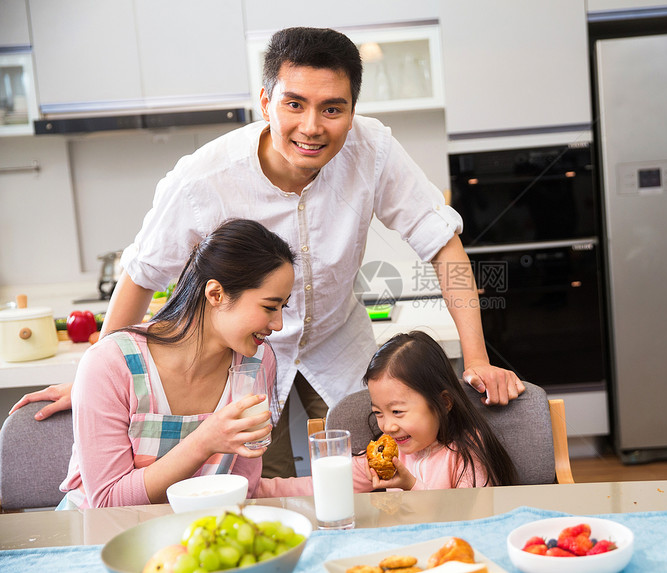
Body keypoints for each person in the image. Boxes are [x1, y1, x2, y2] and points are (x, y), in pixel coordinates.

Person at [12, 26, 524, 479]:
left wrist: (477, 359)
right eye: (294, 104)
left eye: (333, 108)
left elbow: (443, 245)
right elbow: (141, 277)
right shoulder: (204, 178)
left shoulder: (375, 151)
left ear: (352, 111)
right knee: (259, 488)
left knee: (376, 473)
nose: (312, 126)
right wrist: (99, 377)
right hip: (242, 359)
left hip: (338, 341)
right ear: (264, 102)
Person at [59, 219, 295, 509]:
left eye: (283, 307)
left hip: (197, 532)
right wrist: (205, 441)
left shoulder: (257, 361)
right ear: (216, 294)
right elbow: (108, 504)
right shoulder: (109, 364)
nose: (279, 324)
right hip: (101, 537)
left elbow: (244, 490)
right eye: (269, 307)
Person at [258, 331, 518, 497]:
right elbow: (319, 488)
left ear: (444, 403)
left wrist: (410, 485)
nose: (388, 426)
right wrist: (255, 489)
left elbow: (470, 518)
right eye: (378, 413)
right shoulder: (382, 459)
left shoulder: (467, 452)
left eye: (397, 411)